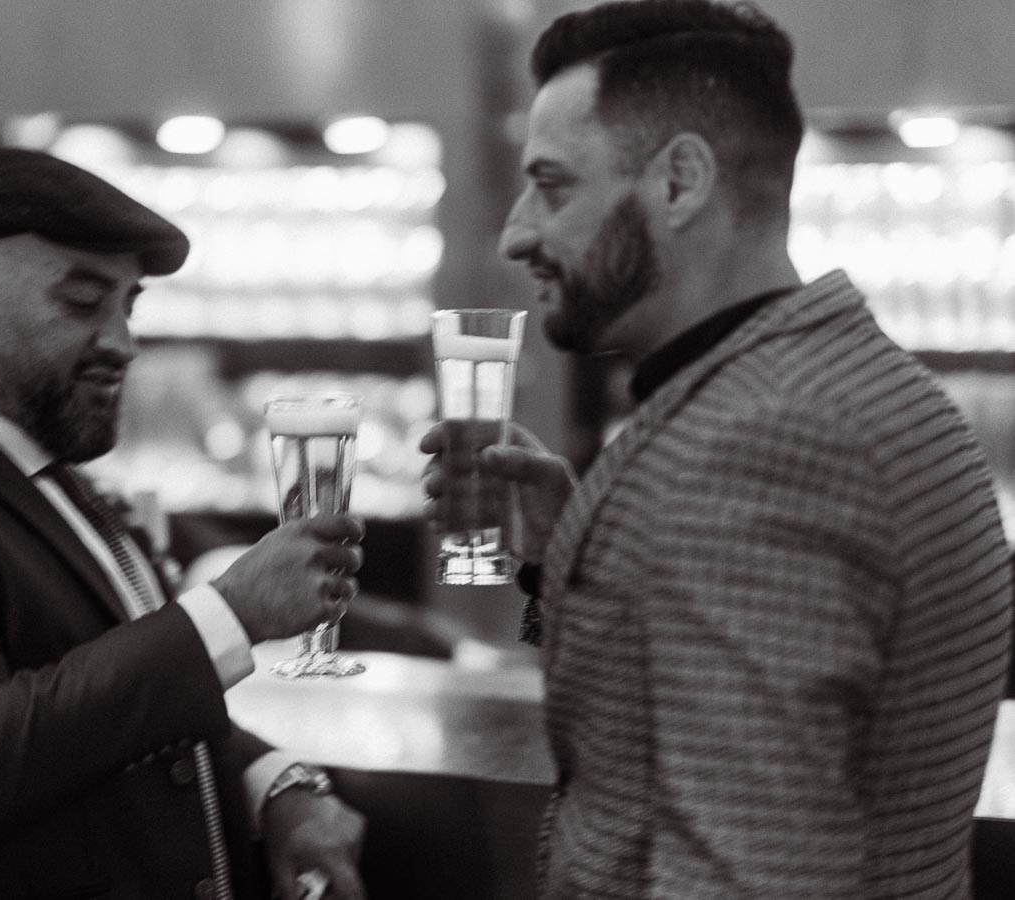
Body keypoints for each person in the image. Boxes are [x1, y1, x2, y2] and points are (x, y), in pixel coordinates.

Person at [421, 1, 1013, 896]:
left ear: (678, 182)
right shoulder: (844, 378)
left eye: (552, 185)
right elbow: (655, 724)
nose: (515, 234)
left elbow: (750, 871)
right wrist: (558, 563)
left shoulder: (757, 446)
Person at [0, 145, 367, 900]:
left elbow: (116, 710)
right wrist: (231, 612)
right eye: (82, 301)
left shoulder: (43, 478)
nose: (123, 345)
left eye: (127, 305)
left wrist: (273, 782)